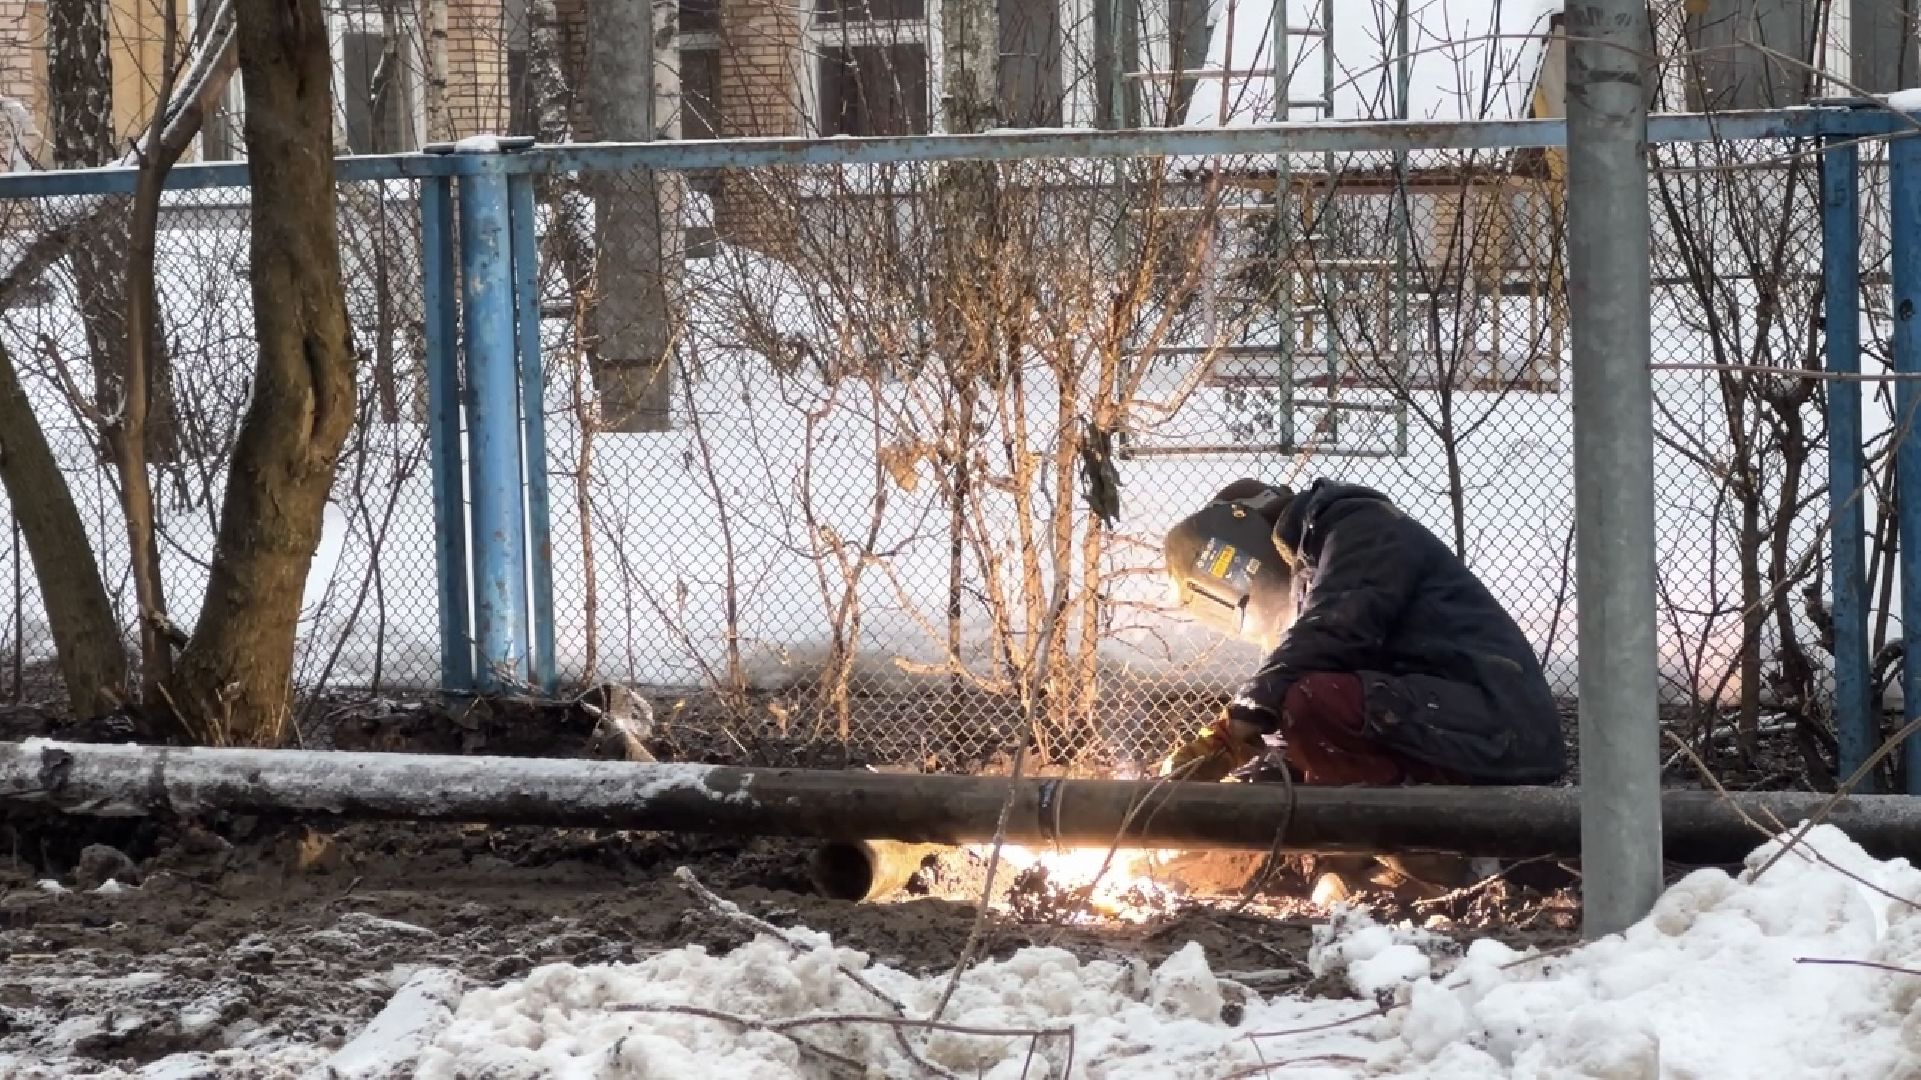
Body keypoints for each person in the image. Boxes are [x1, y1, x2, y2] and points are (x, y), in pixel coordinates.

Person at [1160, 478, 1567, 896]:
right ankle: (1389, 863)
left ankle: (1452, 869)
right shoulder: (1310, 584)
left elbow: (1340, 626)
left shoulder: (1359, 525)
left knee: (1316, 702)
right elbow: (1293, 735)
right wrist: (1231, 796)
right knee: (1293, 745)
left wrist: (1231, 731)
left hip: (1496, 723)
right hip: (1439, 724)